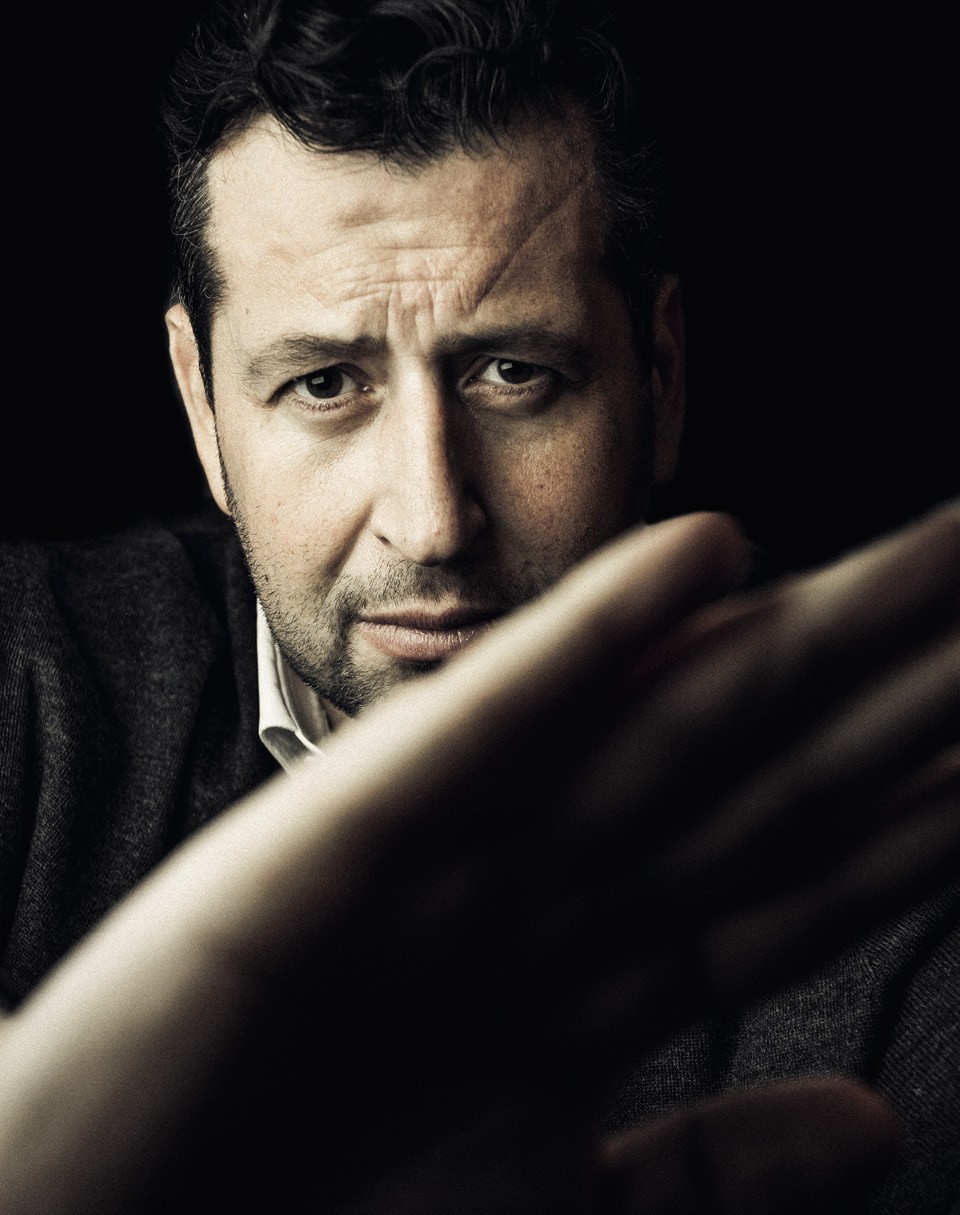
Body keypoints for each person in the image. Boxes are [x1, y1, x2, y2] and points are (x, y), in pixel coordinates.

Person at [1, 1, 957, 1211]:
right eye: (325, 384)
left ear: (660, 377)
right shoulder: (27, 695)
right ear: (202, 405)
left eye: (515, 374)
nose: (434, 520)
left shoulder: (900, 828)